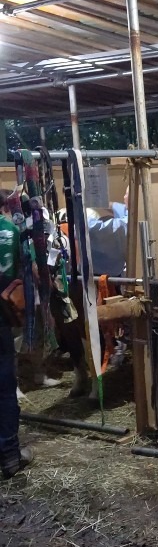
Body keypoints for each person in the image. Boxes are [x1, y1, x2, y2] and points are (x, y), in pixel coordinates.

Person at [0, 189, 32, 478]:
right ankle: (10, 455)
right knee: (5, 390)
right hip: (1, 317)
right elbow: (26, 265)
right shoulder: (11, 230)